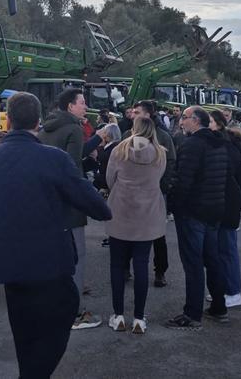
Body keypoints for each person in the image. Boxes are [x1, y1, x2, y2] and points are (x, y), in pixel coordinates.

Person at [0, 91, 111, 378]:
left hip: (6, 261)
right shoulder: (53, 159)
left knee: (23, 325)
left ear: (9, 119)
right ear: (38, 121)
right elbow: (95, 205)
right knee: (65, 310)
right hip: (48, 261)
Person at [40, 87, 101, 331]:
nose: (85, 107)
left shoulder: (47, 128)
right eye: (82, 102)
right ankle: (75, 312)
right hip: (69, 207)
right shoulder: (74, 129)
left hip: (48, 202)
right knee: (77, 257)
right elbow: (73, 170)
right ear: (70, 106)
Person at [164, 106, 229, 329]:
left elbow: (183, 181)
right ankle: (219, 307)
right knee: (212, 260)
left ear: (196, 121)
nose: (181, 122)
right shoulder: (219, 143)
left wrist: (173, 206)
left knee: (193, 263)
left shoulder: (192, 145)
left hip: (194, 211)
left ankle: (192, 314)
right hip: (214, 209)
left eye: (184, 118)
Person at [104, 116, 166, 334]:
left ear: (134, 128)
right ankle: (139, 318)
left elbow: (110, 180)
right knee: (142, 266)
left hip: (121, 212)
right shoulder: (160, 153)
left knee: (117, 266)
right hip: (147, 216)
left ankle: (118, 315)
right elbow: (159, 180)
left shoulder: (119, 150)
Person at [131, 100, 176, 288]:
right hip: (132, 193)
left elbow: (171, 161)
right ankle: (126, 267)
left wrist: (163, 186)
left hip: (156, 192)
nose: (132, 114)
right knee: (130, 231)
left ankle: (160, 271)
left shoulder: (163, 136)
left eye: (137, 112)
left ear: (147, 115)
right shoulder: (128, 135)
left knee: (157, 234)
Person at [215, 115, 241, 309]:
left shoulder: (229, 150)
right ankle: (225, 288)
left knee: (227, 251)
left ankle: (233, 292)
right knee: (222, 251)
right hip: (226, 205)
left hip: (227, 207)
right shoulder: (233, 149)